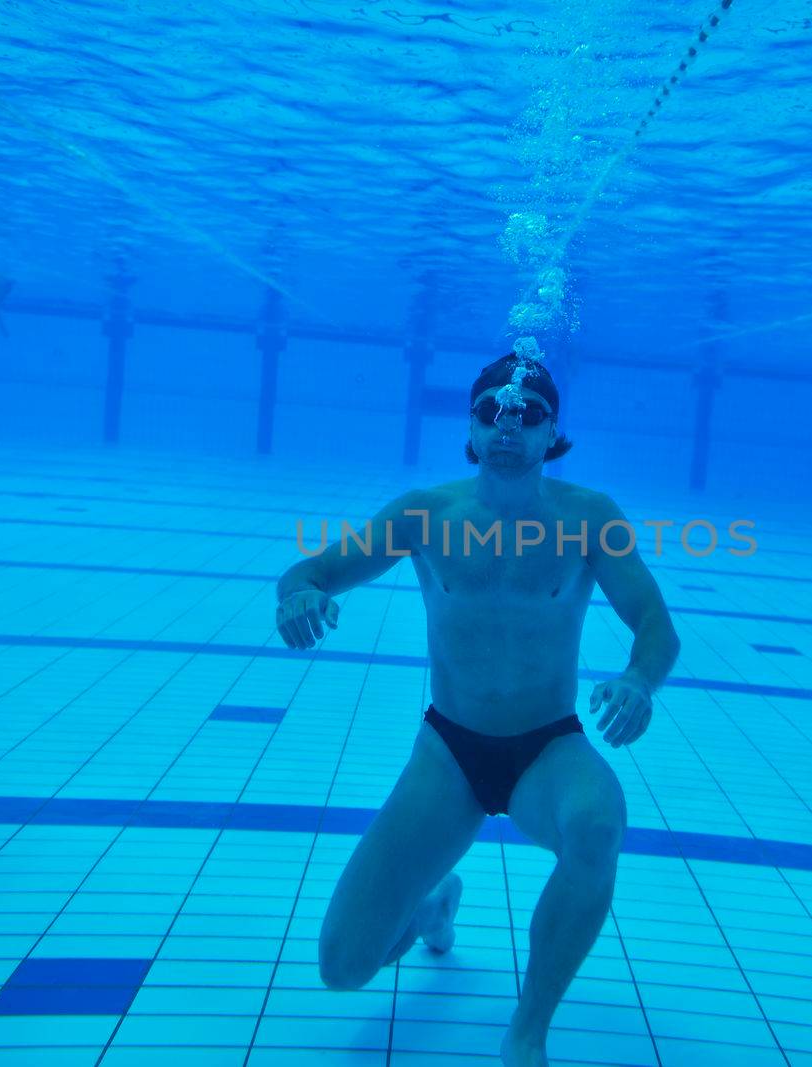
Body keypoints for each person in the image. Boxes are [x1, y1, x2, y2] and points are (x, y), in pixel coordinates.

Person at [275, 352, 680, 1067]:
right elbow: (312, 570)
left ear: (552, 430)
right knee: (342, 966)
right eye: (492, 408)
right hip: (450, 753)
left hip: (546, 750)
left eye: (526, 413)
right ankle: (433, 903)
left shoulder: (590, 518)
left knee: (596, 824)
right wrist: (300, 597)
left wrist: (639, 680)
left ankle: (528, 1028)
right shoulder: (424, 514)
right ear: (471, 422)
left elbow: (654, 620)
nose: (507, 424)